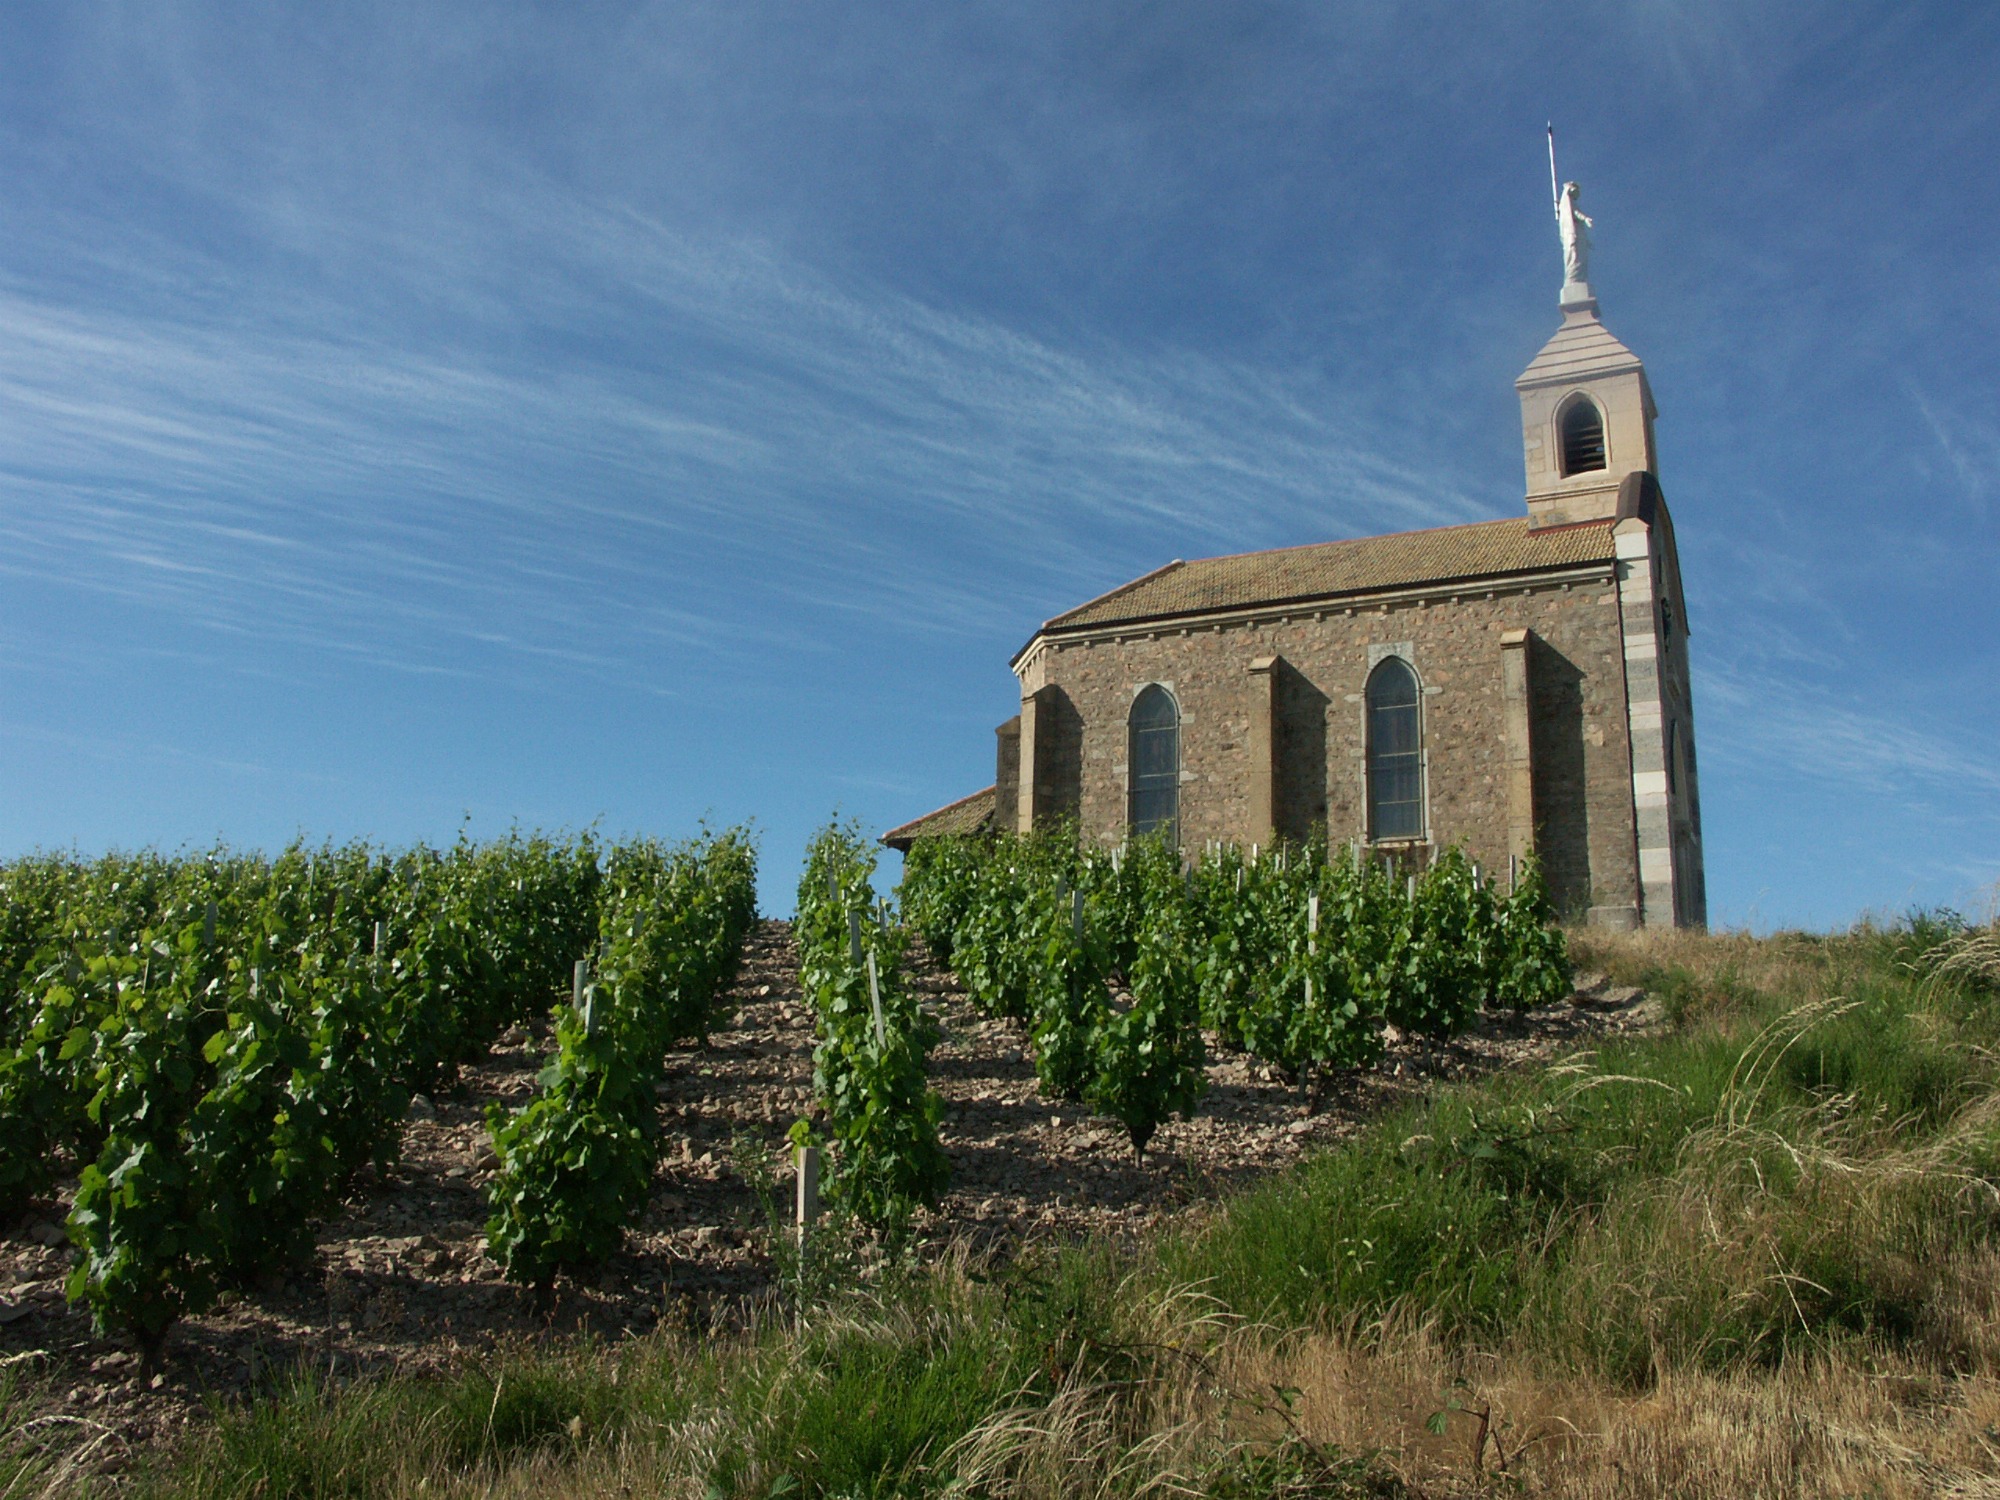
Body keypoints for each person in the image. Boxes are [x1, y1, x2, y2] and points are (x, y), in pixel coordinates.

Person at [1557, 180, 1593, 287]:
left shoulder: (1572, 203)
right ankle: (1573, 278)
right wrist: (1585, 218)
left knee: (1580, 257)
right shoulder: (1567, 203)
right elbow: (1575, 213)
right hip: (1572, 234)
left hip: (1578, 232)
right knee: (1574, 256)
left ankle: (1578, 278)